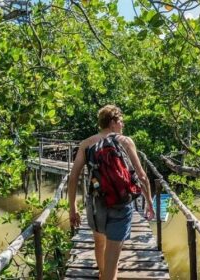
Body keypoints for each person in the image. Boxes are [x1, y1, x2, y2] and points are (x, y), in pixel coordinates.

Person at [68, 104, 155, 280]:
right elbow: (142, 176)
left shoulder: (86, 143)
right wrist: (149, 204)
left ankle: (103, 274)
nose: (122, 125)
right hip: (120, 203)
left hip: (96, 203)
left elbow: (73, 177)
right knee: (113, 256)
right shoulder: (125, 141)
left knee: (99, 243)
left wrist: (72, 208)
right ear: (113, 122)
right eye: (121, 121)